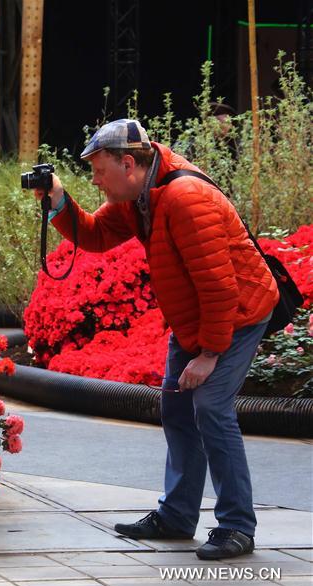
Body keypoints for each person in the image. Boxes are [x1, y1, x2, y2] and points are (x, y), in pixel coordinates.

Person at [34, 119, 278, 560]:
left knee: (210, 407)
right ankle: (178, 516)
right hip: (197, 318)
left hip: (237, 313)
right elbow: (95, 234)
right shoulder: (141, 194)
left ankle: (237, 527)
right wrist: (57, 200)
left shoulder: (186, 199)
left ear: (128, 163)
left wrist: (209, 354)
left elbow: (220, 288)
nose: (95, 180)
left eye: (99, 171)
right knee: (177, 406)